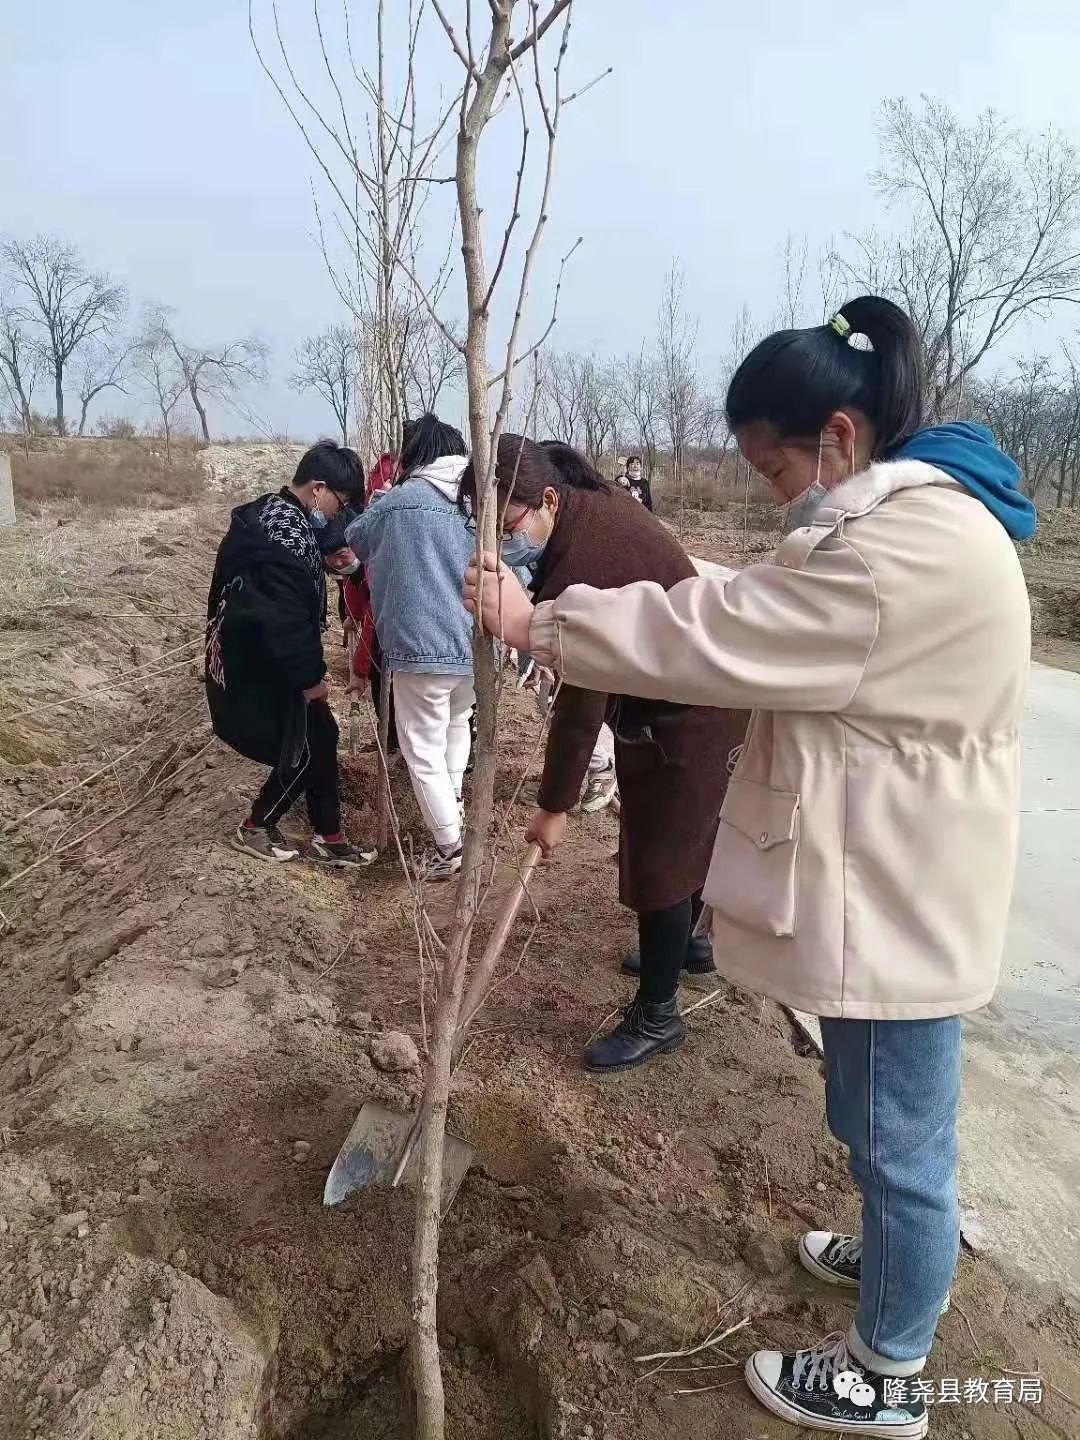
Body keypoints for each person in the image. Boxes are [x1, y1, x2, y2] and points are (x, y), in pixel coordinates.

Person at [465, 295, 1035, 1438]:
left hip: (900, 885)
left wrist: (544, 628)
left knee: (898, 1136)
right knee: (880, 1115)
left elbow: (719, 629)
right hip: (896, 867)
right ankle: (887, 1254)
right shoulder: (918, 518)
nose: (778, 494)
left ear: (837, 434)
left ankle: (888, 1373)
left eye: (775, 470)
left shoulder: (900, 549)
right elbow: (747, 603)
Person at [462, 435, 747, 1070]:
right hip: (678, 700)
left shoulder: (584, 558)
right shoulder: (588, 512)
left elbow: (581, 701)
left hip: (690, 717)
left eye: (506, 526)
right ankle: (687, 951)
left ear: (545, 500)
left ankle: (659, 1014)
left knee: (662, 862)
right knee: (683, 844)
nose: (502, 544)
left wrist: (554, 806)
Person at [205, 440, 377, 868]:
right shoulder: (285, 540)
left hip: (252, 654)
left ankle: (329, 836)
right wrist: (311, 680)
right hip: (262, 664)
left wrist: (324, 562)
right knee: (305, 747)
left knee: (322, 736)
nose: (338, 511)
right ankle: (256, 826)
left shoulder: (275, 516)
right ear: (318, 489)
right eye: (340, 500)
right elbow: (284, 619)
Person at [345, 414, 475, 880]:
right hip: (475, 641)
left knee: (420, 749)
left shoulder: (402, 499)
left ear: (414, 453)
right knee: (458, 722)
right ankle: (454, 807)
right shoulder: (480, 499)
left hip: (421, 645)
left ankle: (450, 846)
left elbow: (355, 538)